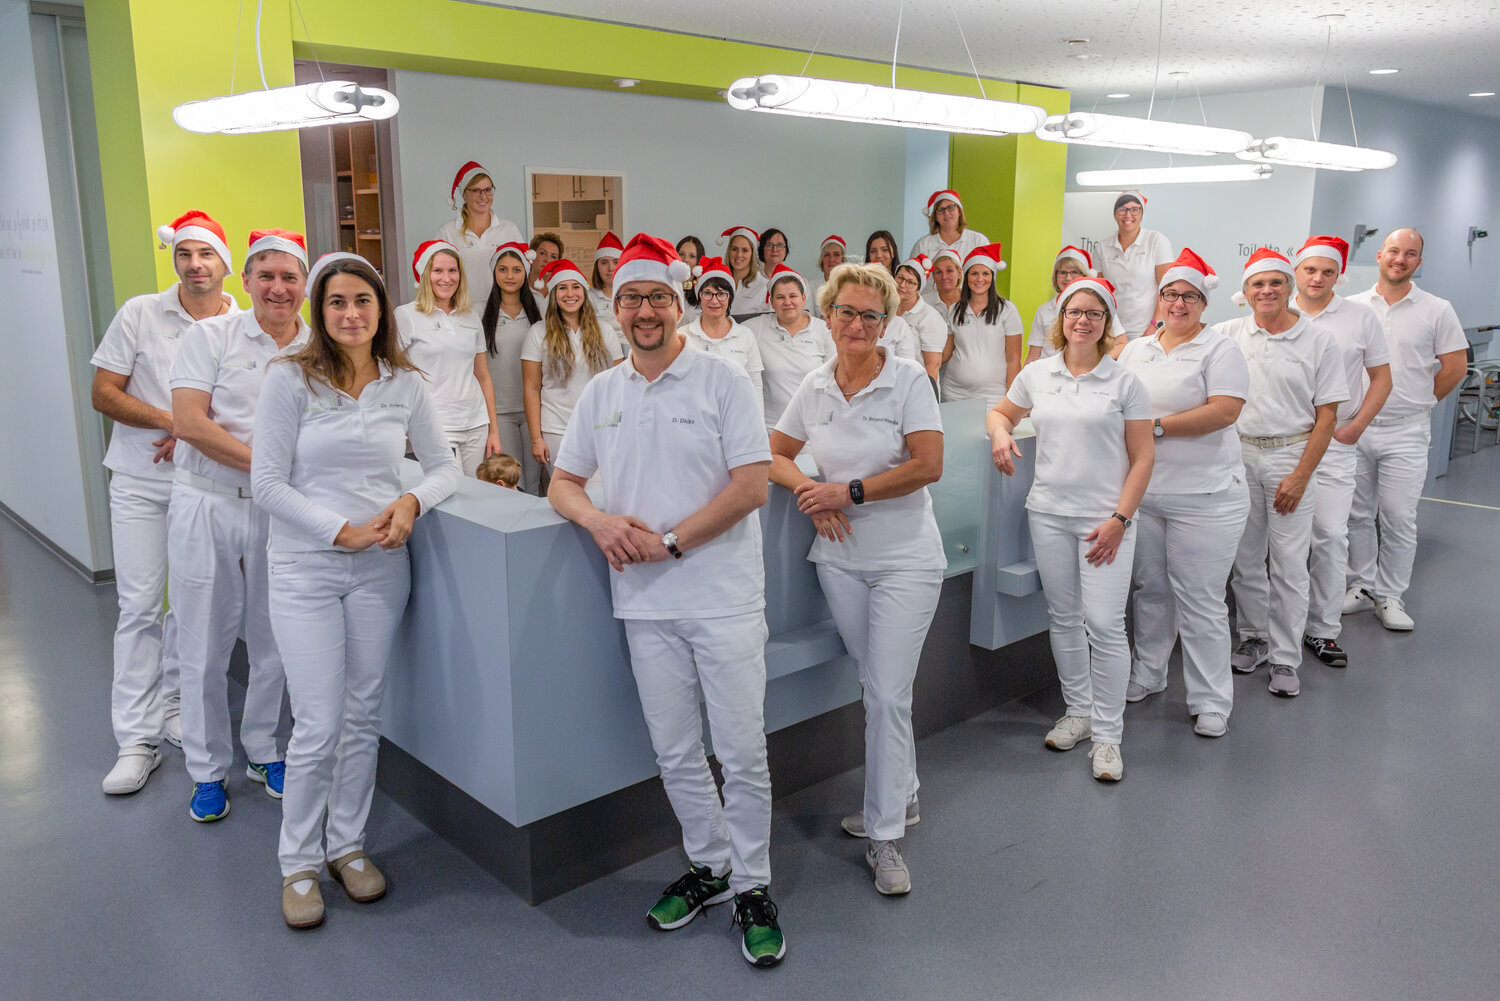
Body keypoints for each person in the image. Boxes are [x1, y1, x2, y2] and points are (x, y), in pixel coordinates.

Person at [548, 234, 784, 968]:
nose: (644, 311)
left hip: (722, 597)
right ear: (614, 308)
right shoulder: (602, 391)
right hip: (644, 604)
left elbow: (753, 486)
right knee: (675, 749)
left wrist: (672, 542)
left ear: (677, 304)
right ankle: (710, 865)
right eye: (631, 299)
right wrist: (598, 522)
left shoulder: (723, 381)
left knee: (740, 750)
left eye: (656, 297)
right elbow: (563, 483)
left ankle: (753, 884)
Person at [252, 253, 461, 930]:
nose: (351, 314)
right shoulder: (289, 378)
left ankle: (347, 845)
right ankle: (298, 864)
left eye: (362, 301)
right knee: (318, 720)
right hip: (305, 568)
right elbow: (266, 483)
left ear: (380, 309)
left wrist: (411, 502)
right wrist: (336, 530)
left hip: (379, 569)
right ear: (320, 311)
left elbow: (445, 466)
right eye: (337, 302)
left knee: (364, 711)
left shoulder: (404, 382)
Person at [770, 262, 944, 896]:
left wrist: (847, 492)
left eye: (871, 315)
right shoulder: (815, 384)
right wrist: (812, 494)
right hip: (840, 562)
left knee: (888, 696)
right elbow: (774, 453)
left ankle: (884, 835)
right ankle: (905, 794)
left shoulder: (908, 379)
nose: (857, 324)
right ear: (828, 314)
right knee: (878, 688)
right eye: (846, 312)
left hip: (906, 560)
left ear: (886, 322)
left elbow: (929, 465)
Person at [169, 228, 312, 822]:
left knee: (275, 639)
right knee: (205, 645)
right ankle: (206, 770)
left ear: (305, 284)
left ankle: (263, 749)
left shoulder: (317, 347)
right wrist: (269, 469)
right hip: (209, 503)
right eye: (267, 276)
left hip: (278, 513)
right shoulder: (211, 337)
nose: (278, 288)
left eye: (290, 277)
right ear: (247, 280)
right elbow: (189, 422)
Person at [93, 210, 238, 795]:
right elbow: (104, 393)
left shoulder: (241, 323)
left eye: (206, 254)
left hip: (202, 486)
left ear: (226, 264)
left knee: (193, 609)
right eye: (185, 254)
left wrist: (197, 431)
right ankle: (136, 740)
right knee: (138, 607)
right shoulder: (141, 313)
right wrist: (176, 420)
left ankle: (176, 707)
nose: (195, 265)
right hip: (139, 482)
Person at [989, 278, 1153, 781]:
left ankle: (1108, 737)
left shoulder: (1125, 382)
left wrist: (1120, 520)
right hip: (1049, 513)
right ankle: (1078, 712)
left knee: (1104, 624)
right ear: (1061, 319)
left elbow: (1144, 457)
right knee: (1062, 617)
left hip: (1105, 521)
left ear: (1107, 323)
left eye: (1094, 314)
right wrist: (999, 435)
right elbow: (1001, 412)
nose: (1083, 320)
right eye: (1074, 312)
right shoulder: (1038, 374)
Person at [1118, 251, 1250, 738]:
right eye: (1171, 294)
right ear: (1160, 299)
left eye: (1189, 296)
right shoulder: (1136, 350)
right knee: (1150, 589)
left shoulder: (1220, 350)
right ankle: (1149, 671)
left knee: (1199, 598)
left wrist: (1153, 426)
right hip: (1146, 493)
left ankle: (1211, 699)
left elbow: (1224, 411)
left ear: (1203, 303)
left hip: (1207, 496)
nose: (1178, 303)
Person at [1218, 249, 1347, 698]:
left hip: (1290, 455)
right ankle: (1254, 637)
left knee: (1290, 564)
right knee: (1246, 558)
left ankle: (1286, 658)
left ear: (1290, 288)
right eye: (1258, 284)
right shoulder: (1227, 334)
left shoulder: (1318, 340)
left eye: (1276, 282)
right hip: (1238, 455)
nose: (1267, 290)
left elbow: (1327, 416)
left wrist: (1300, 475)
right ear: (1245, 291)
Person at [1345, 228, 1468, 631]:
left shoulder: (1437, 309)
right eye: (1394, 251)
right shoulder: (1353, 307)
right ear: (1379, 255)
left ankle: (1390, 596)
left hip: (1406, 430)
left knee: (1398, 516)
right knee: (1357, 514)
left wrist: (1422, 401)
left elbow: (1455, 367)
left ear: (1419, 262)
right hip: (1357, 427)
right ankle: (1362, 587)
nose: (1400, 259)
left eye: (1410, 254)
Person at [1292, 236, 1392, 664]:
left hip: (1333, 443)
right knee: (1277, 544)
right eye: (1310, 270)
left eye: (1327, 272)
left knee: (1331, 535)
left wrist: (1356, 428)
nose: (1317, 278)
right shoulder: (1277, 309)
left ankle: (1322, 629)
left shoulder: (1359, 317)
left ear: (1339, 276)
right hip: (1284, 444)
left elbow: (1382, 378)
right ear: (1296, 271)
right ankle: (1265, 630)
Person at [394, 241, 500, 477]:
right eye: (438, 271)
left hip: (475, 423)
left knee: (475, 492)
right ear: (425, 275)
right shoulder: (407, 315)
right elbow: (393, 375)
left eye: (452, 270)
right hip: (435, 424)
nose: (446, 278)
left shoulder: (470, 317)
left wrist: (494, 429)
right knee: (449, 489)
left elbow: (483, 377)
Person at [521, 258, 626, 472]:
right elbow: (531, 388)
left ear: (584, 292)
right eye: (562, 288)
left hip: (600, 426)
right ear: (553, 294)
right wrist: (536, 438)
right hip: (556, 429)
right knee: (565, 489)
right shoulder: (538, 332)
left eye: (576, 287)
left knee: (600, 489)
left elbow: (620, 384)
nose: (570, 294)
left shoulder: (605, 331)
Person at [481, 241, 544, 494]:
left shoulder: (540, 304)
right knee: (511, 484)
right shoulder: (479, 311)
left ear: (525, 272)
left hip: (536, 410)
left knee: (534, 482)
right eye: (503, 269)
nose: (510, 276)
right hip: (500, 412)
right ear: (494, 273)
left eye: (517, 270)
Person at [745, 264, 834, 430]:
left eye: (793, 296)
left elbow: (836, 381)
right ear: (772, 302)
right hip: (771, 430)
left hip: (813, 430)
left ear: (803, 298)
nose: (787, 302)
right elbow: (727, 331)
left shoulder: (824, 330)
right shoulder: (756, 328)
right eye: (780, 297)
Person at [941, 244, 1023, 406]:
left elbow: (1014, 359)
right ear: (966, 276)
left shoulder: (1007, 310)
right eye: (974, 273)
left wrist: (1012, 399)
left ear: (993, 277)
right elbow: (946, 353)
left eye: (985, 273)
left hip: (993, 396)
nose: (980, 279)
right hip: (954, 393)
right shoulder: (954, 310)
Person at [681, 256, 764, 399]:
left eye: (721, 294)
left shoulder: (745, 335)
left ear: (730, 297)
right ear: (699, 296)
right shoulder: (683, 336)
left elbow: (755, 385)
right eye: (707, 293)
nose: (714, 301)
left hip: (737, 411)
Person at [1097, 192, 1173, 340]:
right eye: (1122, 209)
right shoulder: (1102, 248)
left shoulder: (1156, 241)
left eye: (1134, 209)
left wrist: (1155, 324)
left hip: (1146, 331)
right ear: (1115, 214)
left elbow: (1167, 288)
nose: (1128, 215)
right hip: (1112, 332)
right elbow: (1099, 293)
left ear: (1142, 213)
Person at [436, 161, 522, 292]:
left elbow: (522, 272)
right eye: (475, 190)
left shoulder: (509, 229)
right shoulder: (447, 231)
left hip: (500, 304)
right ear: (464, 194)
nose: (483, 196)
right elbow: (438, 274)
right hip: (462, 304)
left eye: (488, 190)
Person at [1025, 247, 1094, 367]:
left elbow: (1120, 344)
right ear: (1055, 276)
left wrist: (1094, 364)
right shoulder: (1044, 311)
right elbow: (1033, 356)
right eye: (1062, 272)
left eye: (1074, 272)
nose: (1068, 278)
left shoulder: (1097, 307)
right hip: (1048, 375)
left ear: (1084, 275)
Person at [893, 254, 947, 381]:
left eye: (910, 282)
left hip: (916, 386)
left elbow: (933, 366)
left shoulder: (930, 318)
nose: (902, 285)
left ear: (918, 289)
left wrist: (923, 391)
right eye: (900, 278)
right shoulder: (885, 309)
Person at [908, 189, 989, 261]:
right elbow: (911, 272)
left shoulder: (978, 241)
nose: (946, 213)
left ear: (959, 211)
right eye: (940, 209)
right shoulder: (923, 245)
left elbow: (988, 271)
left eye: (950, 207)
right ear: (935, 216)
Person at [719, 226, 767, 316]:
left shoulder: (764, 286)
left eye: (745, 250)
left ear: (752, 254)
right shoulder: (718, 282)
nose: (739, 255)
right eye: (734, 249)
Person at [588, 231, 625, 333]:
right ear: (597, 267)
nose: (611, 268)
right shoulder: (588, 298)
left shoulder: (633, 294)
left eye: (616, 262)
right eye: (604, 263)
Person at [810, 235, 848, 320]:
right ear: (822, 260)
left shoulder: (851, 286)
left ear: (843, 260)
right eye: (827, 255)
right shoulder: (811, 286)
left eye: (836, 254)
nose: (831, 259)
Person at [528, 231, 564, 313]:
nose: (547, 260)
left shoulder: (561, 292)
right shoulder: (519, 287)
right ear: (532, 255)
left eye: (553, 256)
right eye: (542, 253)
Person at [676, 235, 705, 320]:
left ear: (699, 261)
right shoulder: (667, 287)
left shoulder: (703, 292)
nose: (685, 260)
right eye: (681, 254)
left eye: (692, 256)